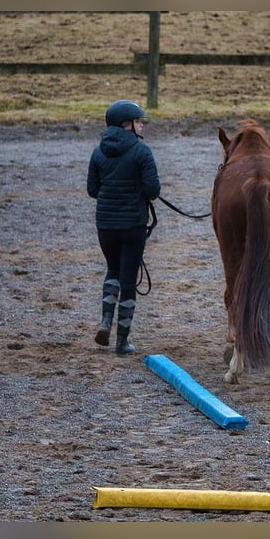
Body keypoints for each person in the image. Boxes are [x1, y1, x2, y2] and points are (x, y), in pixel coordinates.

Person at [87, 100, 161, 355]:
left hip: (105, 225)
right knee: (129, 280)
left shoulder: (98, 152)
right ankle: (122, 341)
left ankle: (106, 320)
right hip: (133, 225)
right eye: (138, 121)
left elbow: (92, 190)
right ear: (127, 125)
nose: (141, 125)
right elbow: (153, 190)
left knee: (112, 271)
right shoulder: (142, 152)